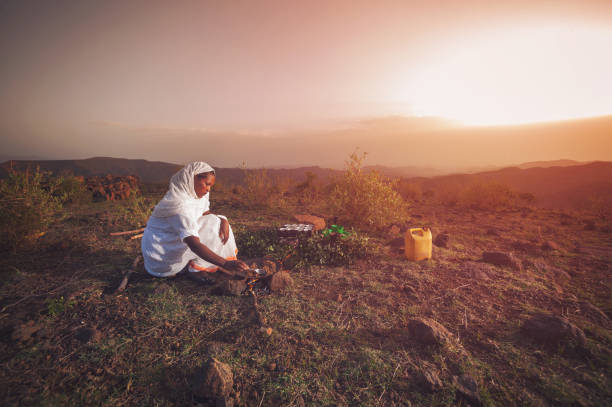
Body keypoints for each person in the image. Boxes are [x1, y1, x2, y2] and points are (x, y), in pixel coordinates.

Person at [141, 161, 249, 281]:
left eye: (210, 186)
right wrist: (225, 263)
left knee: (217, 220)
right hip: (161, 260)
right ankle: (197, 269)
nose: (208, 190)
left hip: (167, 251)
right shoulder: (178, 204)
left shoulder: (193, 195)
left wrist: (223, 220)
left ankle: (201, 264)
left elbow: (204, 213)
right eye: (206, 184)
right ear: (192, 179)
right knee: (211, 224)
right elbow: (194, 244)